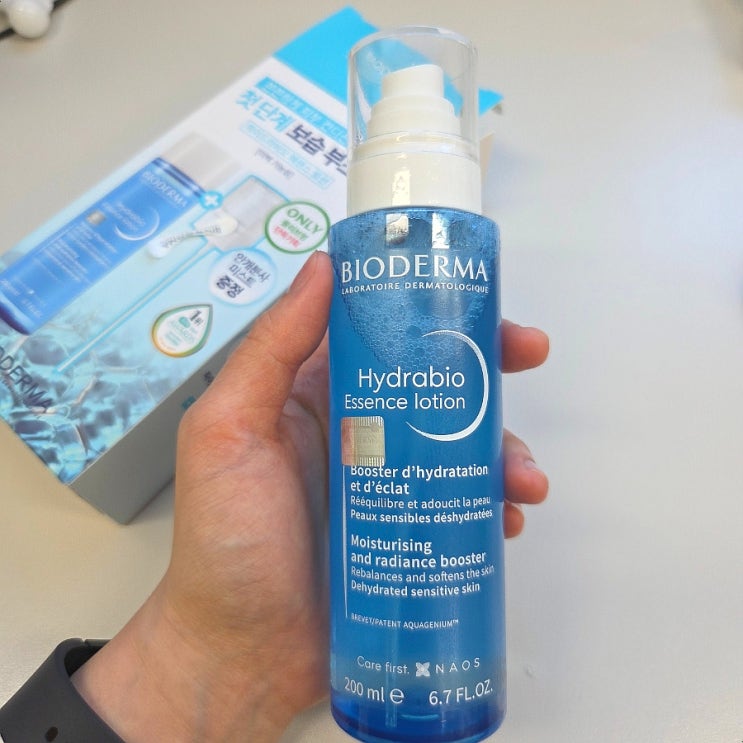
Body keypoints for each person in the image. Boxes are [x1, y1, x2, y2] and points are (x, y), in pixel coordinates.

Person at [0, 250, 549, 742]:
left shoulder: (468, 244)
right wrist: (213, 651)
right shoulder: (363, 249)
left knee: (453, 425)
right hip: (354, 626)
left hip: (455, 667)